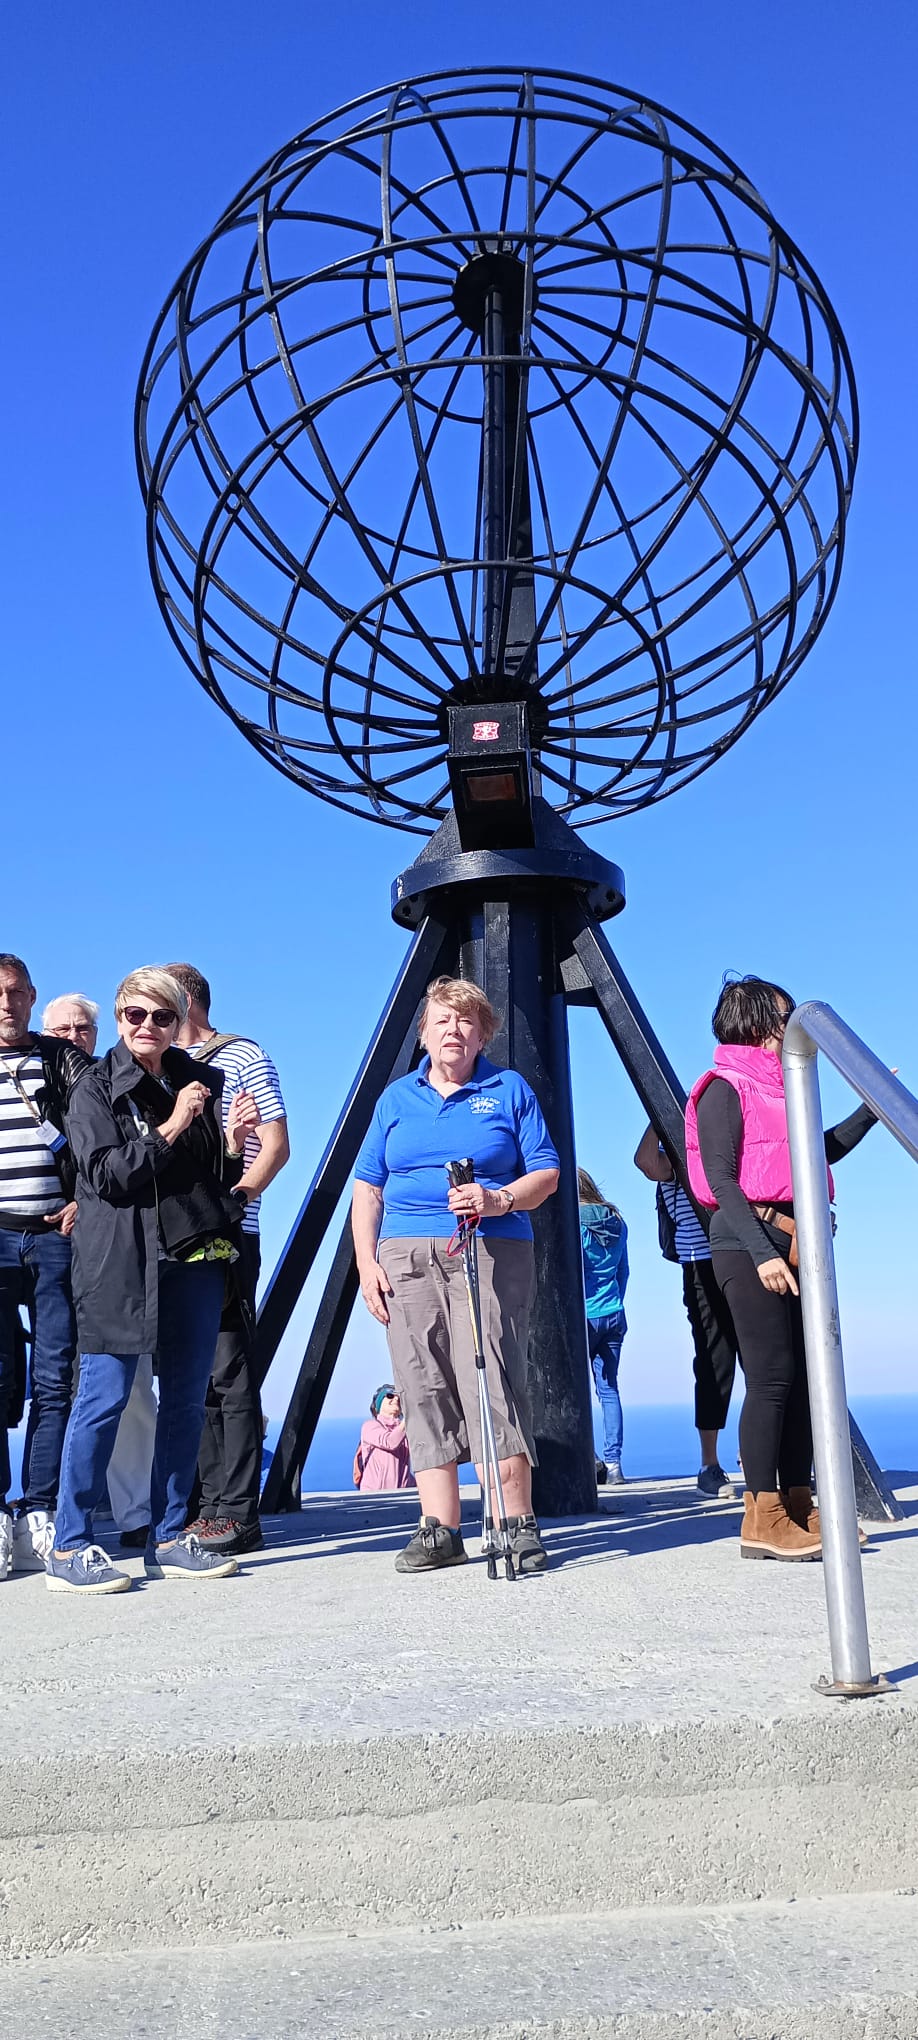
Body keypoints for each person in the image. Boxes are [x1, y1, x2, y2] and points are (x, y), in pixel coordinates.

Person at [46, 967, 260, 1593]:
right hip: (120, 1263)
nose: (147, 1026)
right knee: (104, 1398)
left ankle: (168, 1538)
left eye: (162, 1017)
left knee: (187, 1401)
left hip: (193, 1257)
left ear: (177, 1023)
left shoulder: (195, 1082)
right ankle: (69, 1544)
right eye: (135, 1014)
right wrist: (171, 1127)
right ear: (119, 1017)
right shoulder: (94, 1086)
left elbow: (206, 1179)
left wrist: (232, 1143)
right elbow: (107, 1175)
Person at [352, 975, 560, 1575]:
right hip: (405, 1253)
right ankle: (440, 1528)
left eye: (466, 1020)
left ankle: (514, 1521)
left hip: (490, 1244)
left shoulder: (509, 1089)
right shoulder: (396, 1099)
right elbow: (368, 1187)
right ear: (423, 1032)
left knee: (491, 1373)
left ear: (483, 1034)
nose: (453, 1030)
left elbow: (546, 1173)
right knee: (420, 1381)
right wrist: (366, 1262)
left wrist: (498, 1199)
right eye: (442, 1020)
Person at [685, 975, 876, 1561]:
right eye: (784, 1013)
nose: (792, 1023)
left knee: (802, 1378)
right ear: (759, 1022)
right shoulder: (724, 1087)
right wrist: (764, 1254)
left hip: (796, 1239)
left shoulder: (782, 1089)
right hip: (750, 1242)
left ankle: (797, 1502)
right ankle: (762, 1514)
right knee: (770, 1377)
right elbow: (720, 1181)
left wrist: (870, 1113)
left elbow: (818, 1152)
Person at [169, 963, 290, 1557]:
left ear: (187, 1001)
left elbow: (276, 1145)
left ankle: (238, 1512)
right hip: (175, 1240)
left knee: (229, 1369)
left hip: (229, 1235)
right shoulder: (162, 1065)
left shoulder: (243, 1056)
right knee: (191, 1375)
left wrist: (236, 1200)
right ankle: (206, 1507)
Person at [0, 954, 92, 1583]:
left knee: (55, 1377)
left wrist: (84, 1197)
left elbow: (100, 1135)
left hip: (56, 1235)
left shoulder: (61, 1061)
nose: (6, 1005)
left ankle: (39, 1507)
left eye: (15, 993)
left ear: (33, 997)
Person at [634, 1124, 739, 1499]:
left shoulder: (726, 1150)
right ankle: (709, 1465)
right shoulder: (679, 1157)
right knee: (713, 1361)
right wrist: (659, 1118)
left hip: (741, 1257)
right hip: (700, 1264)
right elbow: (647, 1162)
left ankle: (768, 1455)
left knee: (765, 1360)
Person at [578, 1169, 628, 1484]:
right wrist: (616, 1303)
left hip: (583, 1316)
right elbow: (623, 1271)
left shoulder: (574, 1223)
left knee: (576, 1390)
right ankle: (614, 1465)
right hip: (614, 1313)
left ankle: (589, 1460)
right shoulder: (618, 1222)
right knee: (609, 1389)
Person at [356, 1385, 413, 1492]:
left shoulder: (404, 1429)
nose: (396, 1399)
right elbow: (389, 1442)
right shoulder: (370, 1426)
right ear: (379, 1404)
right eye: (390, 1396)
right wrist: (408, 1419)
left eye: (399, 1397)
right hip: (375, 1494)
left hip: (402, 1495)